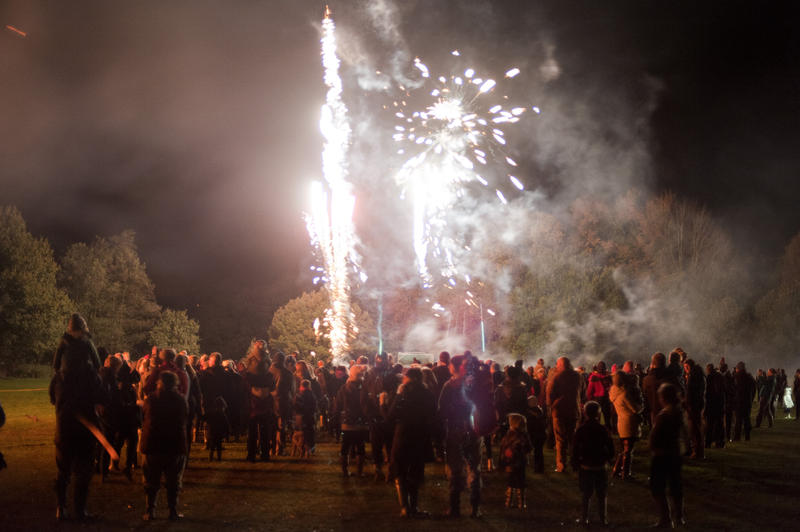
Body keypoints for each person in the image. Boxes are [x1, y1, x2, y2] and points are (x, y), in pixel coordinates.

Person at [51, 313, 106, 521]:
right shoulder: (92, 378)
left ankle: (61, 507)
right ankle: (79, 509)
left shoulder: (58, 381)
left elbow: (52, 392)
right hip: (83, 430)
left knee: (64, 470)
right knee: (82, 470)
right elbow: (101, 390)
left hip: (64, 428)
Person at [387, 367, 437, 517]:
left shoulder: (403, 393)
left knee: (400, 471)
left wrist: (393, 398)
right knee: (415, 471)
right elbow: (433, 413)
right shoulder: (427, 393)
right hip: (420, 436)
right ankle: (413, 507)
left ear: (409, 378)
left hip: (403, 435)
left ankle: (405, 507)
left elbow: (390, 416)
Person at [141, 371, 188, 521]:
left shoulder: (151, 399)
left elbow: (144, 416)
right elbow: (184, 418)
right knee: (173, 480)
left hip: (153, 444)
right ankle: (172, 510)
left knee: (151, 480)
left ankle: (150, 511)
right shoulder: (180, 400)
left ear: (159, 383)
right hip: (173, 445)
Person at [438, 354, 482, 518]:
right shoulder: (474, 385)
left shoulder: (450, 386)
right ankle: (475, 508)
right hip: (473, 430)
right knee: (474, 469)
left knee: (455, 470)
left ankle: (455, 508)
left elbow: (441, 410)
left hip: (455, 430)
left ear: (453, 367)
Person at [572, 401, 615, 527]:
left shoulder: (581, 430)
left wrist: (576, 462)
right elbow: (610, 447)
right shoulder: (603, 429)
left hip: (586, 465)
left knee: (586, 493)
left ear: (584, 413)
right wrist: (608, 458)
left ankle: (584, 518)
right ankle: (603, 518)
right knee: (602, 493)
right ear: (598, 413)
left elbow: (575, 448)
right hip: (600, 465)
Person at [649, 383, 686, 528]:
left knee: (657, 487)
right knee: (676, 485)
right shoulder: (678, 411)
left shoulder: (664, 415)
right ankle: (679, 517)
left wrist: (652, 446)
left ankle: (665, 518)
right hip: (675, 453)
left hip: (662, 454)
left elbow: (655, 435)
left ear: (663, 397)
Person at [546, 356, 582, 473]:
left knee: (560, 439)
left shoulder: (556, 377)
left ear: (561, 365)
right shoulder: (578, 376)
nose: (556, 366)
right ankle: (575, 463)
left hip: (559, 412)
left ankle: (561, 465)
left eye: (557, 364)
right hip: (573, 411)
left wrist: (551, 405)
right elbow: (583, 392)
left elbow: (549, 395)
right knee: (573, 438)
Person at [334, 365, 369, 477]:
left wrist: (336, 418)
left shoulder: (344, 388)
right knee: (360, 447)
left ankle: (345, 471)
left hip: (347, 422)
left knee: (345, 447)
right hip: (360, 422)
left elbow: (338, 405)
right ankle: (359, 471)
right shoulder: (364, 387)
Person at [242, 347, 275, 462]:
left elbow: (245, 388)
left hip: (253, 405)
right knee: (264, 431)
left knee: (253, 431)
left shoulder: (248, 375)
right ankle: (264, 454)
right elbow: (272, 387)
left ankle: (252, 454)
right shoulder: (268, 375)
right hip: (263, 404)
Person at [609, 370, 643, 480]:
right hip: (629, 422)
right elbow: (635, 409)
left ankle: (616, 470)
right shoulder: (624, 394)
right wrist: (641, 403)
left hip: (621, 421)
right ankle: (625, 473)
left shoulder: (614, 392)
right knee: (628, 450)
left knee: (624, 449)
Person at [499, 413, 532, 510]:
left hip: (510, 463)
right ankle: (521, 503)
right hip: (520, 463)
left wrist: (503, 462)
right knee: (521, 481)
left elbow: (503, 448)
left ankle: (508, 502)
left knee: (511, 481)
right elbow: (528, 447)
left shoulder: (508, 435)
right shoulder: (523, 436)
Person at [683, 359, 706, 459]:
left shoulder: (693, 376)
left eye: (685, 367)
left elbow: (690, 393)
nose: (685, 370)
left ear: (688, 366)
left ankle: (697, 452)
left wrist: (686, 403)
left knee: (694, 428)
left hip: (693, 405)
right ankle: (698, 451)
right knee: (697, 427)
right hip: (699, 403)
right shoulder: (699, 375)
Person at [733, 362, 756, 441]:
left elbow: (733, 389)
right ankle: (747, 436)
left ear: (738, 368)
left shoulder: (736, 377)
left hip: (739, 401)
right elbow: (754, 388)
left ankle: (737, 437)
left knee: (738, 420)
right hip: (747, 401)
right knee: (746, 419)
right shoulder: (749, 377)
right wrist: (751, 398)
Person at [704, 364, 726, 448]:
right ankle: (720, 442)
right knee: (719, 424)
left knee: (710, 424)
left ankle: (708, 442)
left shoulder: (709, 377)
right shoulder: (720, 376)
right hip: (720, 404)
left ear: (708, 369)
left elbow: (708, 392)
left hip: (711, 404)